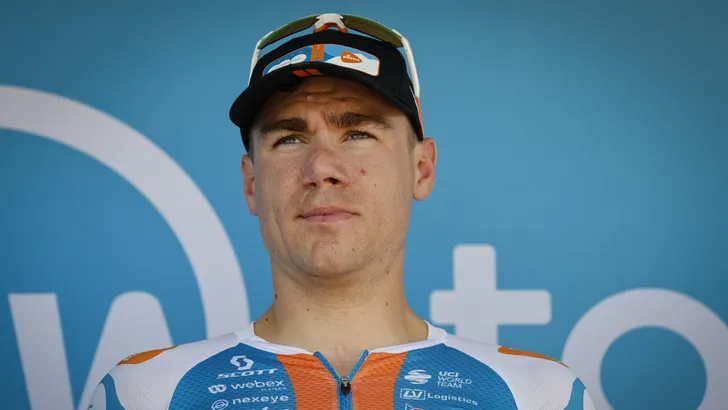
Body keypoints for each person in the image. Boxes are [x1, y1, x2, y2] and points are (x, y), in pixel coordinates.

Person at [89, 13, 594, 410]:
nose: (322, 168)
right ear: (251, 183)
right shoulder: (145, 394)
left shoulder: (539, 395)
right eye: (289, 138)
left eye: (357, 133)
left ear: (421, 168)